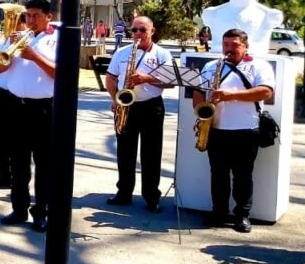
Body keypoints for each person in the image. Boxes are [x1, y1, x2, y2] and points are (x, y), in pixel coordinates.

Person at [193, 28, 275, 233]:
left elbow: (266, 91)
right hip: (217, 129)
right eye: (225, 45)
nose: (229, 49)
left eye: (235, 45)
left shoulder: (258, 66)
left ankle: (242, 215)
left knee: (243, 175)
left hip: (246, 129)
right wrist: (200, 115)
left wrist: (231, 95)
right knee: (218, 174)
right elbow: (199, 92)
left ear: (246, 46)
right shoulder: (212, 66)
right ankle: (219, 212)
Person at [105, 16, 173, 212]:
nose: (137, 34)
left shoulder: (162, 54)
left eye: (142, 30)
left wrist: (147, 79)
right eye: (134, 30)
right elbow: (111, 77)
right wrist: (115, 99)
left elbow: (170, 82)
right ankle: (124, 192)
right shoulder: (121, 52)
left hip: (151, 106)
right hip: (126, 106)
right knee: (125, 152)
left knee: (151, 152)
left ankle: (151, 196)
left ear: (152, 31)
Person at [0, 0, 57, 232]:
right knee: (18, 162)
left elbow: (61, 73)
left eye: (35, 16)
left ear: (48, 16)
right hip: (16, 106)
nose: (30, 20)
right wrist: (8, 52)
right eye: (28, 16)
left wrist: (34, 56)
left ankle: (41, 211)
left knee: (43, 163)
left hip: (43, 108)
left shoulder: (57, 39)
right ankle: (19, 207)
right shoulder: (19, 37)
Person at [0, 13, 27, 189]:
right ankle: (3, 174)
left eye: (18, 24)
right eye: (11, 23)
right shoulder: (1, 45)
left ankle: (17, 176)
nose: (14, 28)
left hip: (19, 97)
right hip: (0, 95)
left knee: (16, 139)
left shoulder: (27, 46)